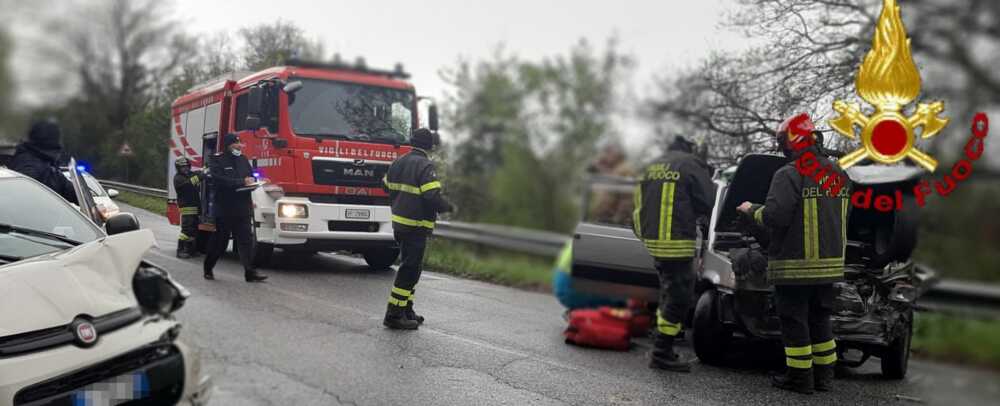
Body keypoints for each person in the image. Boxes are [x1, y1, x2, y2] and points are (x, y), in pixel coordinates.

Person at [737, 113, 849, 394]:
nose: (782, 147)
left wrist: (751, 210)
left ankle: (800, 379)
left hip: (795, 266)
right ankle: (824, 377)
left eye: (782, 140)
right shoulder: (838, 173)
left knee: (794, 321)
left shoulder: (788, 174)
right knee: (820, 320)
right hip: (830, 266)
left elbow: (775, 217)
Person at [633, 135, 715, 372]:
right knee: (680, 298)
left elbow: (637, 207)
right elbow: (707, 201)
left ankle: (663, 348)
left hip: (655, 242)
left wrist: (645, 235)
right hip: (677, 242)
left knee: (669, 294)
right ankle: (661, 353)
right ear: (689, 147)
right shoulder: (690, 163)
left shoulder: (651, 165)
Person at [381, 128, 454, 330]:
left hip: (400, 225)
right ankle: (394, 314)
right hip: (415, 226)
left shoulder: (398, 162)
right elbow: (432, 196)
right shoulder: (424, 165)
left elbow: (385, 186)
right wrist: (448, 207)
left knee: (412, 268)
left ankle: (406, 309)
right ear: (429, 146)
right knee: (409, 270)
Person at [202, 133, 268, 283]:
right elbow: (219, 180)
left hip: (242, 208)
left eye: (240, 143)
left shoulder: (243, 160)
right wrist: (241, 182)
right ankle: (208, 268)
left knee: (246, 241)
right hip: (225, 209)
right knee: (220, 242)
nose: (239, 146)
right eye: (235, 144)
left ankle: (250, 272)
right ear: (228, 145)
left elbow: (249, 178)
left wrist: (256, 182)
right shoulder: (217, 160)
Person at [10, 120, 78, 204]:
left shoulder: (48, 165)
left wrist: (91, 201)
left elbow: (69, 189)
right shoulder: (30, 166)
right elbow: (21, 200)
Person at [173, 157, 204, 258]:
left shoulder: (189, 174)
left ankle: (191, 250)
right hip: (187, 209)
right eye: (183, 167)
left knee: (194, 231)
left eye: (187, 166)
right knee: (186, 231)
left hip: (194, 207)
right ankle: (180, 250)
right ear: (178, 168)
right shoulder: (178, 178)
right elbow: (189, 183)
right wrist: (201, 176)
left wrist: (204, 170)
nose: (185, 169)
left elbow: (196, 173)